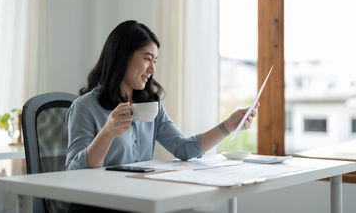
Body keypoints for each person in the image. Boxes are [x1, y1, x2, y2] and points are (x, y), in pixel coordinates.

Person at [65, 20, 259, 213]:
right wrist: (107, 133)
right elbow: (73, 174)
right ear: (123, 57)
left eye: (154, 61)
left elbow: (183, 148)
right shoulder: (85, 107)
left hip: (137, 201)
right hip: (98, 206)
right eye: (147, 59)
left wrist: (229, 125)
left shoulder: (150, 105)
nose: (152, 70)